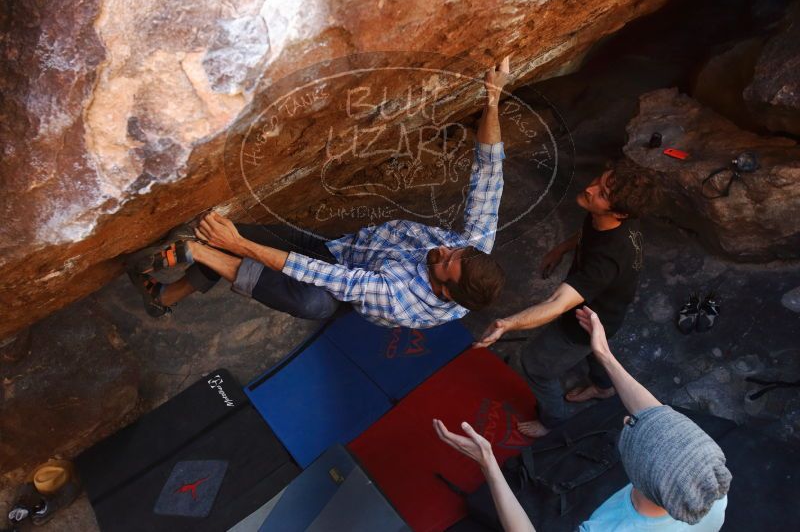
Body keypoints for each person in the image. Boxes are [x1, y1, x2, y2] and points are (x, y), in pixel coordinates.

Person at [127, 57, 512, 329]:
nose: (445, 248)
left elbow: (326, 277)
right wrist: (493, 98)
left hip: (344, 285)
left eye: (447, 262)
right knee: (240, 234)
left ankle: (201, 251)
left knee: (312, 300)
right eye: (456, 249)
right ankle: (163, 299)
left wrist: (233, 245)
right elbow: (489, 175)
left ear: (445, 292)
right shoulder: (471, 247)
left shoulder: (402, 303)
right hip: (342, 248)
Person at [435, 306, 731, 532]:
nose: (629, 419)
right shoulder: (709, 489)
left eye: (635, 426)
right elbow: (655, 419)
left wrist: (488, 463)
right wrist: (604, 355)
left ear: (637, 472)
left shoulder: (610, 529)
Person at [475, 159, 655, 436]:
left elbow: (557, 304)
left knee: (535, 365)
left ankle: (552, 423)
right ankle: (604, 387)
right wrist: (561, 248)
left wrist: (506, 324)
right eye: (599, 179)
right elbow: (588, 232)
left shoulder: (606, 262)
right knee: (598, 352)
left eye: (602, 194)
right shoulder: (608, 217)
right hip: (610, 311)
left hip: (585, 323)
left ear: (619, 213)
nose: (590, 189)